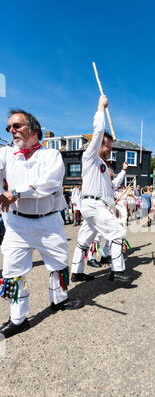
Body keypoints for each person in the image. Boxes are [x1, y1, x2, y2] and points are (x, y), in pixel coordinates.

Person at [0, 109, 82, 338]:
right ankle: (18, 319)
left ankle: (59, 300)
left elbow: (49, 183)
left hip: (48, 222)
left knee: (58, 263)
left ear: (34, 130)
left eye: (16, 126)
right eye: (8, 128)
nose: (11, 131)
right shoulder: (6, 154)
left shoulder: (51, 156)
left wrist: (16, 192)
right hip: (17, 224)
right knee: (12, 271)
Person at [71, 95, 132, 283]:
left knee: (84, 241)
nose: (109, 148)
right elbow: (97, 132)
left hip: (95, 206)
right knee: (118, 233)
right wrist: (100, 107)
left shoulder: (104, 167)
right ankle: (117, 270)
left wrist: (122, 172)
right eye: (107, 144)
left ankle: (77, 271)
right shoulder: (89, 157)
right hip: (93, 205)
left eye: (110, 145)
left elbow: (111, 187)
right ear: (98, 144)